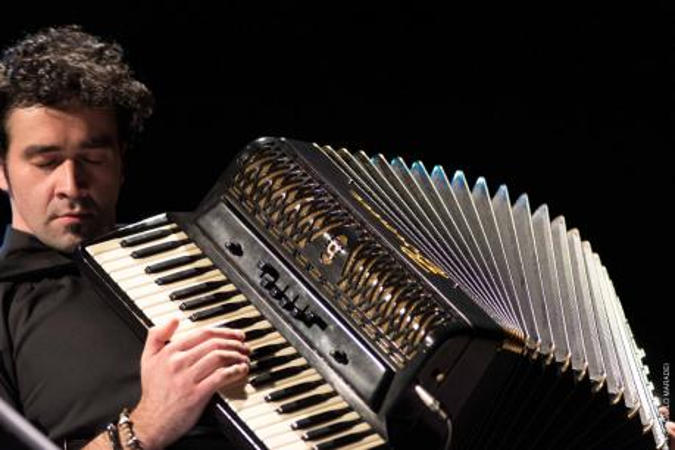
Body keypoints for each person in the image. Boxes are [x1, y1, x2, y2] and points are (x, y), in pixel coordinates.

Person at [0, 25, 251, 449]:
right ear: (2, 170)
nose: (71, 185)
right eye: (46, 162)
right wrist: (150, 422)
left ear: (121, 163)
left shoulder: (196, 257)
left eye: (93, 158)